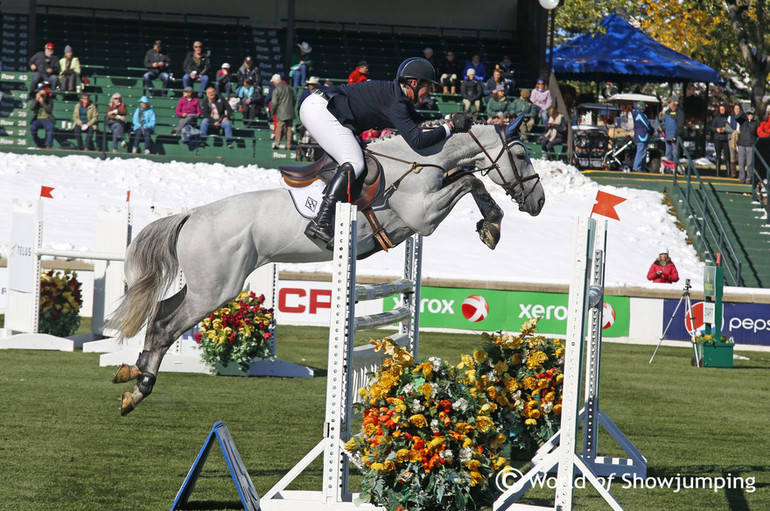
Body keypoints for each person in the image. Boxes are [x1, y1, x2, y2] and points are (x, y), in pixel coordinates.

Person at [298, 56, 471, 246]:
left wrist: (449, 118)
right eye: (428, 87)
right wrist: (451, 127)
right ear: (413, 83)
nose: (429, 93)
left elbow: (419, 122)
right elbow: (418, 140)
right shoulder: (397, 103)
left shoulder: (398, 97)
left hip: (323, 107)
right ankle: (320, 221)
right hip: (321, 109)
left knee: (355, 158)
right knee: (354, 162)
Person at [270, 74, 295, 150]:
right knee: (289, 128)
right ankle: (289, 145)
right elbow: (294, 98)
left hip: (281, 111)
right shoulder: (289, 88)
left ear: (275, 82)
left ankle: (277, 144)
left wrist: (272, 112)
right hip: (290, 110)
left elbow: (274, 103)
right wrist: (291, 106)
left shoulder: (276, 90)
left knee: (279, 127)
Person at [736, 109, 760, 184]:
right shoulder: (743, 121)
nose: (750, 116)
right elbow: (736, 117)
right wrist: (743, 111)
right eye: (748, 114)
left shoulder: (756, 123)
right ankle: (742, 179)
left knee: (749, 163)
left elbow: (758, 133)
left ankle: (749, 179)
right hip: (742, 144)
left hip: (750, 145)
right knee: (741, 163)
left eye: (751, 114)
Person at [660, 96, 685, 166]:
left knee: (675, 154)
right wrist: (662, 131)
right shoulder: (667, 112)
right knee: (668, 154)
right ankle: (668, 169)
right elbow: (665, 123)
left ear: (674, 103)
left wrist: (676, 136)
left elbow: (680, 126)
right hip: (667, 136)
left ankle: (675, 169)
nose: (668, 104)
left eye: (670, 102)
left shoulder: (679, 112)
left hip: (675, 137)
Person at [632, 101, 654, 172]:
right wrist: (651, 130)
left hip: (642, 135)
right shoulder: (639, 114)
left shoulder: (638, 113)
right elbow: (646, 124)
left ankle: (642, 166)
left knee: (643, 151)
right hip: (642, 135)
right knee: (641, 151)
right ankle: (637, 167)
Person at [710, 104, 730, 177]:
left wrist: (725, 129)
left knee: (727, 156)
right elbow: (711, 127)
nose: (722, 111)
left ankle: (728, 173)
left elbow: (730, 127)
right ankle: (717, 172)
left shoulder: (728, 118)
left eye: (723, 109)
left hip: (725, 138)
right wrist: (716, 129)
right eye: (721, 109)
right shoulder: (716, 118)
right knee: (718, 155)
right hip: (717, 138)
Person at [726, 104, 742, 178]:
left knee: (740, 156)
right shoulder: (730, 118)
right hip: (732, 138)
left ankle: (741, 173)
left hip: (740, 138)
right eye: (736, 108)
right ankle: (733, 173)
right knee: (732, 155)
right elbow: (727, 128)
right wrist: (734, 131)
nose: (737, 110)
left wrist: (739, 132)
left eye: (738, 108)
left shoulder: (742, 118)